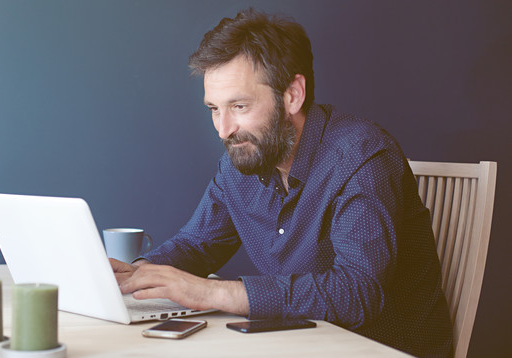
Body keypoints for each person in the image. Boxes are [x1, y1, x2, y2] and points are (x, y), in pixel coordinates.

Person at [111, 8, 453, 358]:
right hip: (300, 345)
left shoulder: (362, 156)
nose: (223, 129)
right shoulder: (242, 161)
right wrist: (136, 274)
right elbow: (198, 244)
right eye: (214, 108)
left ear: (292, 95)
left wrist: (213, 293)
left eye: (239, 106)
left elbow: (358, 291)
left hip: (383, 349)